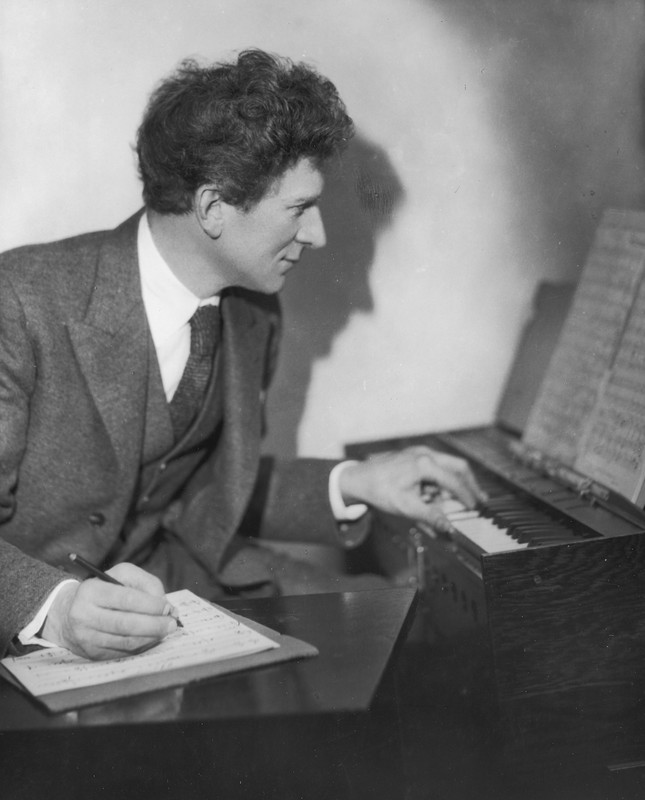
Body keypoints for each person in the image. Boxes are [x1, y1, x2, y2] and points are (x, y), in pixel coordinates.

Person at [0, 49, 484, 661]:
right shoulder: (18, 300)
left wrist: (355, 482)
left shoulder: (255, 312)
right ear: (212, 208)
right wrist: (54, 610)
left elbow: (210, 487)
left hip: (175, 582)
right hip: (29, 628)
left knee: (406, 623)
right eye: (299, 208)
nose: (317, 235)